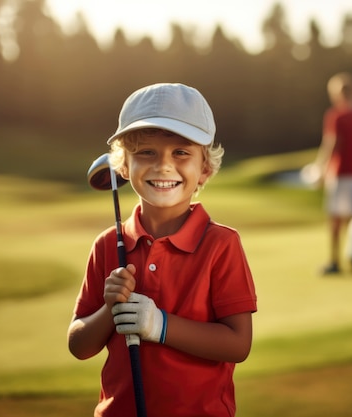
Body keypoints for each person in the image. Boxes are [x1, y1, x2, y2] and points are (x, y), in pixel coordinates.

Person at [67, 83, 258, 417]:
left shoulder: (221, 244)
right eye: (146, 152)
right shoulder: (107, 245)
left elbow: (238, 344)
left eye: (181, 152)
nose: (163, 166)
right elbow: (78, 345)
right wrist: (110, 309)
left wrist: (160, 325)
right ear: (123, 167)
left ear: (205, 169)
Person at [311, 72, 352, 275]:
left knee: (335, 220)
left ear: (340, 94)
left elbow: (332, 145)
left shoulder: (336, 115)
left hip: (340, 174)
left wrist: (321, 170)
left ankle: (335, 261)